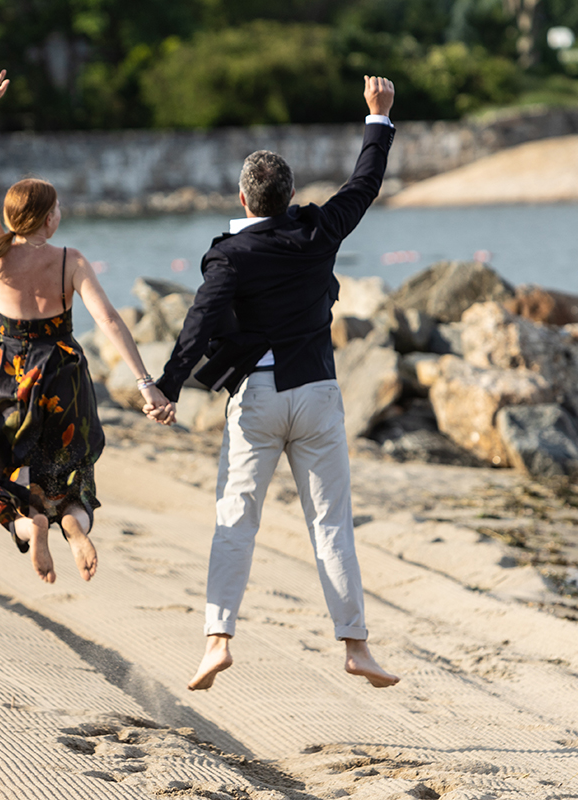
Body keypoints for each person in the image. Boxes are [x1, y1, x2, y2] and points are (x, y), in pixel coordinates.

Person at [148, 75, 401, 691]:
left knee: (236, 520)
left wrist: (168, 386)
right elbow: (364, 183)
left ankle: (217, 641)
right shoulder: (320, 231)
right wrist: (377, 116)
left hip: (256, 401)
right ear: (290, 196)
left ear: (242, 199)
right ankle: (357, 646)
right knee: (331, 525)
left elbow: (200, 319)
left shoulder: (230, 256)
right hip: (316, 395)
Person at [0, 67, 173, 585]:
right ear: (47, 218)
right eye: (57, 208)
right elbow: (109, 320)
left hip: (5, 375)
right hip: (61, 378)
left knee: (10, 475)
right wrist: (146, 383)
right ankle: (73, 525)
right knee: (71, 474)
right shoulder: (69, 260)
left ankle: (27, 523)